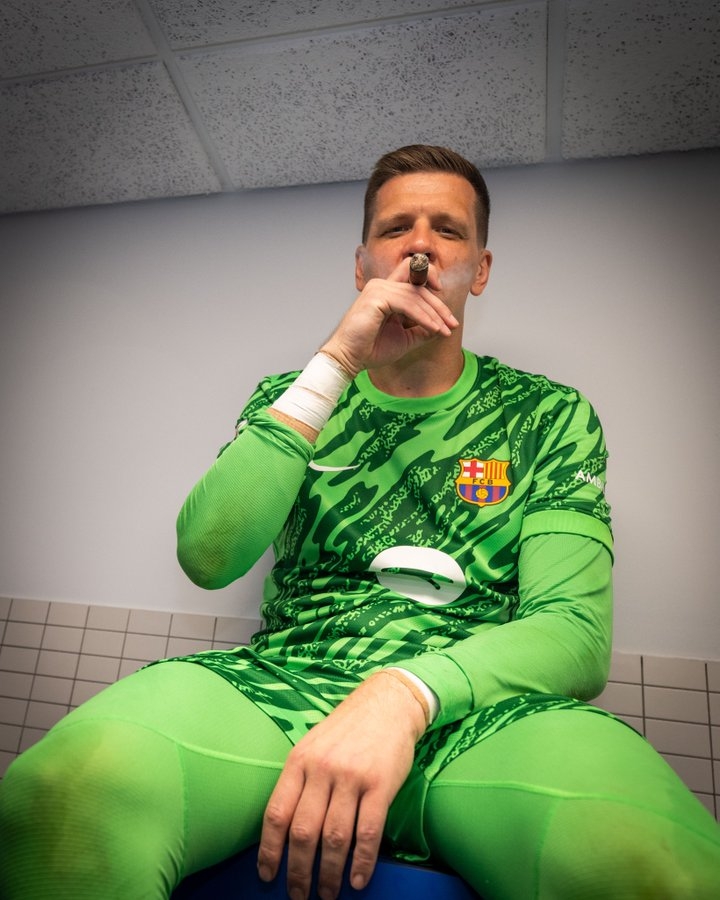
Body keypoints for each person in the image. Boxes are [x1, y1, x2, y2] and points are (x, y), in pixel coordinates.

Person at [1, 145, 718, 900]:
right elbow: (208, 556)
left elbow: (574, 633)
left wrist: (403, 696)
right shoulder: (290, 397)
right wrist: (337, 362)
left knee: (645, 859)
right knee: (64, 792)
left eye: (447, 229)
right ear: (362, 265)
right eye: (395, 228)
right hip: (285, 691)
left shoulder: (548, 415)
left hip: (481, 716)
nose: (419, 245)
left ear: (479, 269)